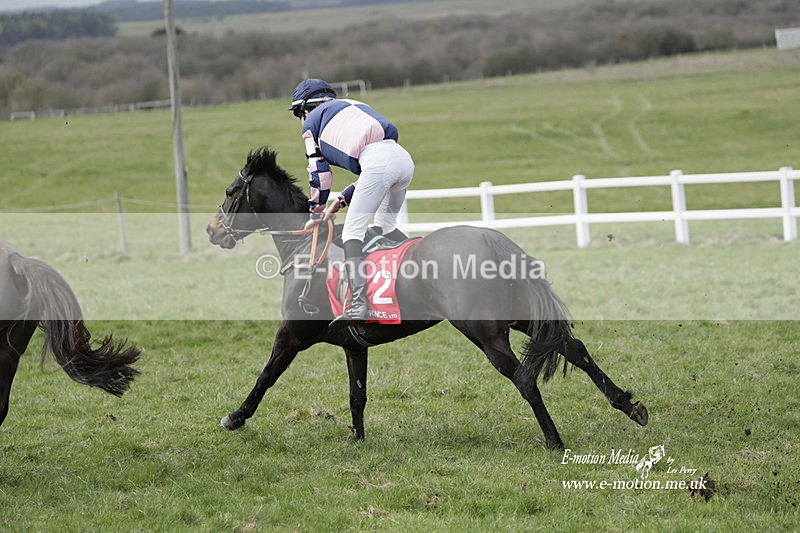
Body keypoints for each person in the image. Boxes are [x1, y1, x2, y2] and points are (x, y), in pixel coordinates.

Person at [289, 78, 414, 321]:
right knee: (387, 228)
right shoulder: (352, 104)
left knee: (352, 234)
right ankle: (416, 270)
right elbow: (376, 169)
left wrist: (316, 212)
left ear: (304, 110)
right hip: (403, 159)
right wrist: (341, 201)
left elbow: (319, 175)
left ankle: (358, 304)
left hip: (379, 164)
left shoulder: (312, 124)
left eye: (298, 115)